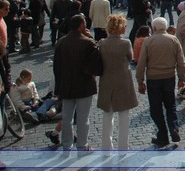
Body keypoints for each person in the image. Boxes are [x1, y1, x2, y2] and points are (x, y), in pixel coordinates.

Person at [136, 16, 185, 148]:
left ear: (154, 28)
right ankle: (174, 127)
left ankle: (162, 135)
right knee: (171, 105)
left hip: (153, 78)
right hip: (169, 77)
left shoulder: (149, 41)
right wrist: (181, 78)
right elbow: (181, 62)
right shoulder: (173, 40)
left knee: (156, 108)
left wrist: (140, 81)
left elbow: (141, 63)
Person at [53, 14, 100, 150]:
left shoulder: (61, 42)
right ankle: (82, 144)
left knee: (67, 117)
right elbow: (96, 65)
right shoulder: (88, 42)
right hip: (84, 85)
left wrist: (58, 88)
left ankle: (67, 144)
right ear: (82, 25)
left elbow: (56, 67)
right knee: (83, 117)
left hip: (66, 85)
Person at [97, 14, 137, 150]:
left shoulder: (102, 43)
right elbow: (130, 57)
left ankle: (106, 147)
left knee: (107, 116)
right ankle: (123, 147)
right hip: (123, 81)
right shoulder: (126, 43)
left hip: (107, 80)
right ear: (120, 28)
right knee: (124, 116)